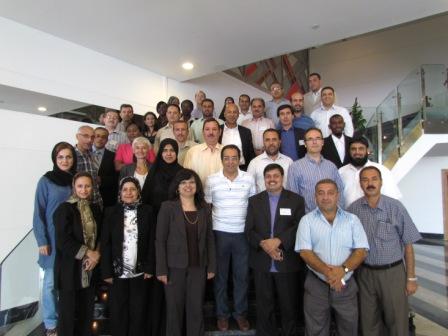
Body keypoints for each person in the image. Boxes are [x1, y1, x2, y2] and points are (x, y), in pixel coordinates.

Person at [347, 166, 421, 336]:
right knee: (368, 322)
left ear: (381, 182)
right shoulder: (353, 210)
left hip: (392, 273)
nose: (370, 183)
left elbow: (408, 244)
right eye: (365, 180)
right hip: (364, 274)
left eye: (374, 179)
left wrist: (411, 278)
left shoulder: (395, 207)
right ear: (360, 184)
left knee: (397, 321)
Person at [295, 179, 369, 336]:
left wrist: (342, 270)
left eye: (330, 193)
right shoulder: (306, 221)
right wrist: (329, 273)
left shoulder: (352, 220)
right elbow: (305, 253)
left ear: (337, 196)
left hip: (346, 285)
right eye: (321, 193)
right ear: (315, 197)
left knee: (349, 329)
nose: (325, 197)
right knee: (315, 330)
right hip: (316, 285)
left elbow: (361, 251)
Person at [245, 163, 305, 336]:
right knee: (264, 308)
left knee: (288, 307)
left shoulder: (296, 200)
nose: (272, 180)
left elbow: (299, 227)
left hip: (286, 261)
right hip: (262, 262)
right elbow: (249, 230)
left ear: (282, 178)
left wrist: (279, 241)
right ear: (264, 180)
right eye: (268, 176)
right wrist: (267, 246)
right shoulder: (254, 201)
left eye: (275, 176)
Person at [156, 169, 216, 336]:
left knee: (196, 309)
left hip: (199, 267)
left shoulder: (204, 208)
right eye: (183, 182)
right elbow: (160, 240)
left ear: (197, 186)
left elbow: (210, 238)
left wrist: (211, 266)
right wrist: (161, 269)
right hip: (174, 268)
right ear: (177, 187)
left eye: (191, 182)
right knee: (174, 311)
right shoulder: (168, 207)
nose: (188, 186)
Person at [205, 145, 256, 332]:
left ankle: (241, 314)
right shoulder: (212, 180)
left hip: (242, 234)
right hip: (219, 233)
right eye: (226, 158)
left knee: (241, 276)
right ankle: (222, 315)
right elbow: (208, 207)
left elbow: (253, 206)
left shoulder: (249, 179)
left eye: (234, 158)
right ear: (222, 159)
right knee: (220, 277)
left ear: (240, 159)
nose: (230, 161)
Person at [101, 176, 155, 336]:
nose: (129, 192)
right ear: (120, 193)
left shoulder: (148, 211)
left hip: (140, 271)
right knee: (119, 311)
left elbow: (152, 241)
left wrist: (150, 267)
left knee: (138, 311)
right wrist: (106, 272)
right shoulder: (111, 212)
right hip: (117, 273)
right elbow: (105, 244)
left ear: (138, 192)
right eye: (125, 189)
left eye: (132, 189)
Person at [33, 142, 77, 336]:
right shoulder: (46, 181)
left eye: (68, 157)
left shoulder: (76, 180)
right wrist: (42, 240)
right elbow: (38, 213)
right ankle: (51, 323)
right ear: (54, 159)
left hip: (73, 240)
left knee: (68, 282)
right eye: (61, 157)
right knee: (50, 284)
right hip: (52, 240)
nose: (65, 161)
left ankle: (67, 318)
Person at [142, 138, 183, 336]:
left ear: (177, 152)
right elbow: (146, 201)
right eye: (165, 150)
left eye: (172, 150)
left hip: (178, 231)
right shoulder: (154, 173)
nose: (168, 153)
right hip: (156, 230)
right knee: (159, 275)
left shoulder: (183, 173)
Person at [53, 172, 102, 336]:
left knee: (86, 315)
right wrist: (88, 252)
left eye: (87, 186)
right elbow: (62, 240)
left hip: (89, 269)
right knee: (67, 316)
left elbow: (101, 235)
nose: (84, 190)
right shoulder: (64, 209)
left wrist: (96, 255)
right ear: (74, 187)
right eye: (80, 186)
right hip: (69, 269)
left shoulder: (95, 208)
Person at [287, 127, 344, 213]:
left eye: (318, 138)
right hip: (308, 219)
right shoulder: (295, 167)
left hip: (333, 218)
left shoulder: (331, 166)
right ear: (305, 143)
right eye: (310, 139)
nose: (314, 142)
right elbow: (292, 198)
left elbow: (340, 192)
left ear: (322, 142)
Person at [339, 137, 402, 207]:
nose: (357, 152)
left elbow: (393, 200)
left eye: (361, 149)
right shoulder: (341, 172)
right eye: (353, 149)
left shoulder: (382, 170)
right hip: (348, 216)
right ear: (349, 151)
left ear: (367, 150)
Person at [183, 118, 223, 186]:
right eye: (207, 129)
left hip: (222, 194)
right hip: (199, 195)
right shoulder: (192, 152)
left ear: (220, 132)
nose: (211, 132)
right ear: (203, 132)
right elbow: (186, 177)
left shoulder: (228, 152)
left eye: (214, 129)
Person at [219, 103, 255, 171]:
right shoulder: (218, 130)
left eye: (234, 112)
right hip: (221, 169)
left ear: (238, 115)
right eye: (229, 112)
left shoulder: (246, 132)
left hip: (243, 169)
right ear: (224, 114)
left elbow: (251, 153)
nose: (232, 115)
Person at [75, 125, 103, 208]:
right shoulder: (71, 156)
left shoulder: (92, 154)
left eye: (92, 137)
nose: (89, 140)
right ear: (77, 136)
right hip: (80, 206)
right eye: (85, 136)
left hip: (96, 201)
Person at [93, 127, 118, 207]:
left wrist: (102, 180)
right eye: (97, 136)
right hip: (84, 196)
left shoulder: (113, 156)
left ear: (107, 140)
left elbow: (116, 178)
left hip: (105, 198)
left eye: (103, 137)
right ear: (93, 137)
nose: (100, 139)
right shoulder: (84, 153)